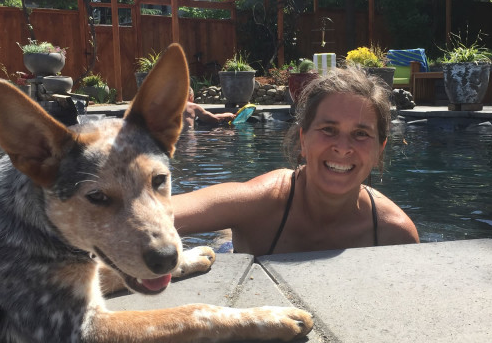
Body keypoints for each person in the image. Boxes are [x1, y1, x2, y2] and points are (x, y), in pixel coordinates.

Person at [173, 67, 420, 255]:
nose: (343, 148)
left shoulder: (394, 232)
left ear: (379, 150)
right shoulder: (262, 202)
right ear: (303, 139)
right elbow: (154, 213)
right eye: (328, 129)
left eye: (361, 134)